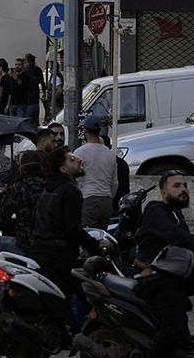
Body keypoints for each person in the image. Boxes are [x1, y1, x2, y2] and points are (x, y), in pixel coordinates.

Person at [137, 171, 194, 358]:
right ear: (163, 192)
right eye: (176, 186)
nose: (183, 189)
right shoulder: (155, 210)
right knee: (174, 329)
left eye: (184, 185)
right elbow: (176, 236)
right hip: (158, 280)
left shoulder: (176, 213)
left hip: (179, 276)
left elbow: (186, 246)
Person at [30, 146, 88, 305]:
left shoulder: (48, 189)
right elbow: (73, 229)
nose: (79, 160)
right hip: (60, 257)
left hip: (40, 254)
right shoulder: (70, 191)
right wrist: (95, 245)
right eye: (72, 159)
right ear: (63, 169)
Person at [75, 121, 118, 229]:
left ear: (85, 131)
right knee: (102, 233)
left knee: (89, 233)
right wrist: (110, 196)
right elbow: (114, 182)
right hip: (106, 201)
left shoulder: (79, 153)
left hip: (88, 199)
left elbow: (76, 180)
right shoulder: (110, 154)